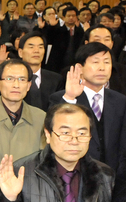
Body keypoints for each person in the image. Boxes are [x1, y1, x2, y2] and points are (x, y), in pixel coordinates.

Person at [50, 42, 126, 174]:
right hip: (75, 176)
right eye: (95, 62)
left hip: (114, 180)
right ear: (80, 67)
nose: (102, 68)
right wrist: (70, 98)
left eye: (107, 62)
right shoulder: (62, 98)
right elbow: (55, 134)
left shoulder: (120, 100)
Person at [17, 31, 64, 111]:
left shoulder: (56, 80)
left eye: (40, 47)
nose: (36, 51)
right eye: (31, 47)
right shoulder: (12, 79)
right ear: (20, 52)